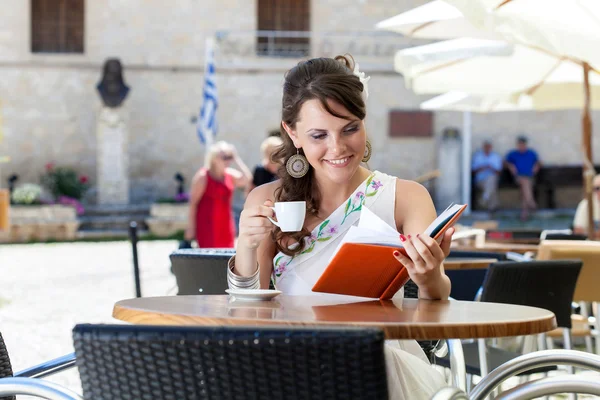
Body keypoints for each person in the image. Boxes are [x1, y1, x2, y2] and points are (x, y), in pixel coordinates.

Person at [229, 55, 452, 399]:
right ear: (292, 132)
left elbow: (434, 312)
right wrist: (245, 245)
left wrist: (428, 277)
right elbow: (244, 313)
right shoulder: (267, 200)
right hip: (293, 368)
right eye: (319, 135)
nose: (338, 148)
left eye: (350, 128)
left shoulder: (406, 198)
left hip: (381, 367)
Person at [185, 141, 252, 248]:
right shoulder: (203, 176)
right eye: (224, 157)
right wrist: (191, 228)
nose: (228, 160)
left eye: (229, 157)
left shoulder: (229, 174)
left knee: (225, 257)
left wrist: (236, 158)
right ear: (214, 158)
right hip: (207, 225)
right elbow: (193, 203)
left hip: (225, 224)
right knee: (208, 258)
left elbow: (247, 179)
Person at [505, 136, 541, 220]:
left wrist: (536, 167)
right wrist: (511, 166)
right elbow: (505, 162)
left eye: (522, 144)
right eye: (519, 144)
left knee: (525, 188)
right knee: (524, 183)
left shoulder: (531, 153)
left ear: (525, 144)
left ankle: (524, 213)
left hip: (530, 177)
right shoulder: (513, 154)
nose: (521, 146)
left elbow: (539, 162)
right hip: (518, 177)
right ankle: (531, 202)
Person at [472, 140, 502, 211]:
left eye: (489, 147)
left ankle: (485, 199)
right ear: (483, 147)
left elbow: (499, 172)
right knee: (492, 186)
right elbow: (472, 171)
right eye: (486, 146)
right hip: (480, 181)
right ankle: (492, 207)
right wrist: (481, 168)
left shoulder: (495, 157)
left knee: (491, 179)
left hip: (493, 178)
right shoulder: (478, 156)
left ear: (491, 147)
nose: (487, 148)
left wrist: (491, 168)